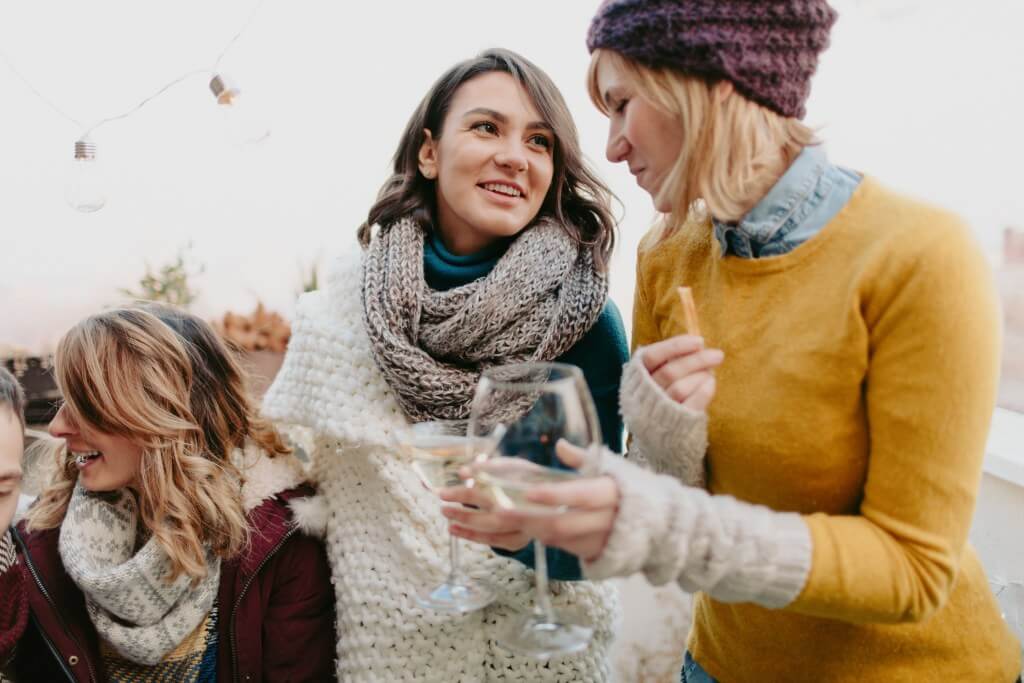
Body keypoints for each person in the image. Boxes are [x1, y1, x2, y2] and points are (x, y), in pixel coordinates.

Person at [508, 1, 1023, 681]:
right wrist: (665, 432)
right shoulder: (667, 257)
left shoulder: (919, 255)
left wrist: (655, 514)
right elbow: (668, 499)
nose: (611, 146)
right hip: (718, 666)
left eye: (623, 103)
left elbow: (913, 568)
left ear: (710, 82)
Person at [262, 48, 627, 681]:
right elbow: (301, 479)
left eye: (539, 142)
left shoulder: (583, 315)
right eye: (487, 127)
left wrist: (523, 533)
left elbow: (608, 525)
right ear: (429, 153)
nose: (515, 155)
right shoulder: (344, 305)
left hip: (540, 652)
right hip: (391, 643)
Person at [0, 304, 335, 682]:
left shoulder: (279, 544)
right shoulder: (41, 534)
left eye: (86, 405)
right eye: (65, 402)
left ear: (159, 413)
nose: (58, 427)